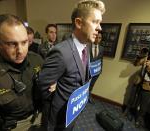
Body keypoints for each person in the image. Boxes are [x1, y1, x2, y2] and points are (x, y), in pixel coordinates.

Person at [38, 0, 105, 130]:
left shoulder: (88, 47)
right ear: (79, 23)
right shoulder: (61, 52)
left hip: (73, 113)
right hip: (58, 118)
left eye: (100, 23)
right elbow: (44, 87)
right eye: (95, 22)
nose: (100, 28)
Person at [89, 31, 105, 104]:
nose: (98, 39)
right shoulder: (87, 46)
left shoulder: (101, 48)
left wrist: (100, 69)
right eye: (96, 37)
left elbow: (101, 59)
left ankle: (89, 96)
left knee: (92, 85)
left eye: (100, 38)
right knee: (84, 85)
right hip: (87, 71)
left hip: (96, 71)